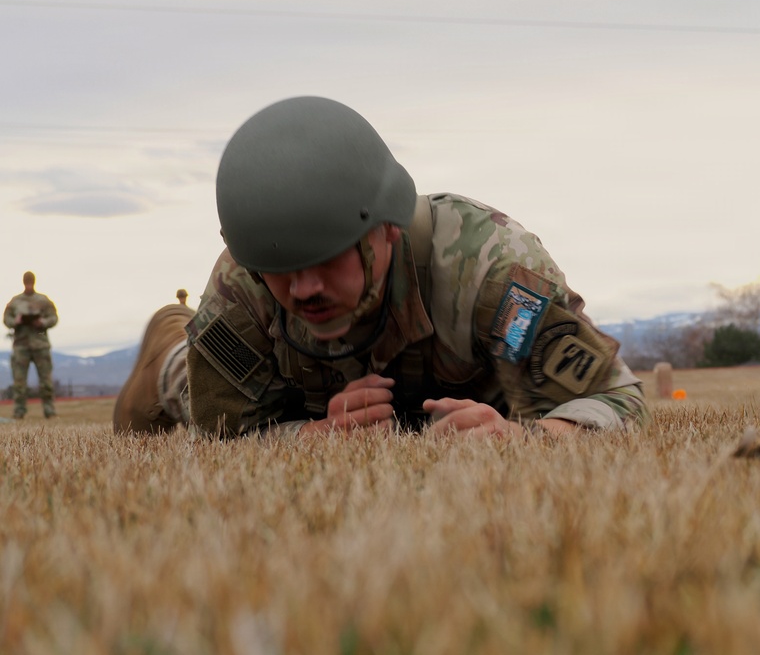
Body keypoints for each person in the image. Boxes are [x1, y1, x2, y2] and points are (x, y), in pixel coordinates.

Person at [113, 96, 648, 438]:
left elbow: (615, 397)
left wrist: (533, 439)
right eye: (281, 269)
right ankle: (166, 346)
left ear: (387, 226)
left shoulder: (487, 270)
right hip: (293, 392)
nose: (303, 289)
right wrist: (308, 437)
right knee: (184, 381)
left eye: (326, 258)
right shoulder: (242, 284)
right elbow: (225, 434)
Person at [3, 271, 59, 419]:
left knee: (46, 381)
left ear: (34, 282)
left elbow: (54, 318)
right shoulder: (15, 302)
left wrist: (43, 322)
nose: (29, 284)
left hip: (40, 345)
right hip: (21, 346)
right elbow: (6, 319)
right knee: (19, 382)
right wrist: (16, 321)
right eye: (26, 281)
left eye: (30, 281)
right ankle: (19, 412)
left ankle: (50, 411)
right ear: (23, 282)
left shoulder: (43, 301)